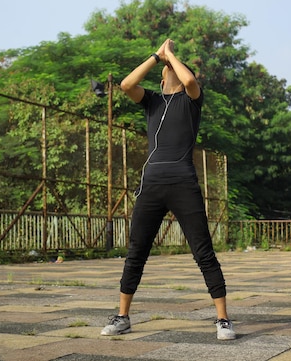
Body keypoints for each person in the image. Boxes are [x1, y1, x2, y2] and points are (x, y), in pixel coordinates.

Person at [100, 39, 236, 340]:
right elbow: (125, 84)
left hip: (183, 183)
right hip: (151, 186)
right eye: (165, 68)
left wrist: (171, 55)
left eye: (170, 66)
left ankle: (223, 319)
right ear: (161, 79)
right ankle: (122, 316)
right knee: (136, 251)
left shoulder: (191, 100)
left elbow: (188, 79)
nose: (167, 70)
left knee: (203, 252)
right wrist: (155, 56)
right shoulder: (151, 101)